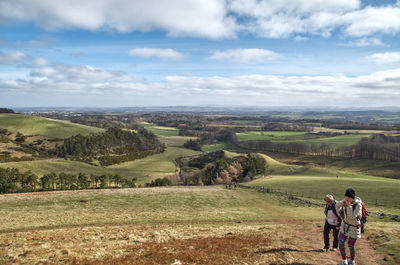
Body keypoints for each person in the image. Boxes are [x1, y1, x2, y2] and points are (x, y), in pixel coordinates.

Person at [335, 188, 362, 265]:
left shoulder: (358, 205)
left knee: (351, 245)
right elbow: (336, 206)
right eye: (346, 197)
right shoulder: (345, 201)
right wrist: (341, 216)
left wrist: (348, 206)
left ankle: (352, 261)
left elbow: (352, 216)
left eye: (348, 197)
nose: (346, 198)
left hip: (354, 228)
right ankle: (344, 261)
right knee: (340, 242)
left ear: (352, 198)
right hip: (345, 226)